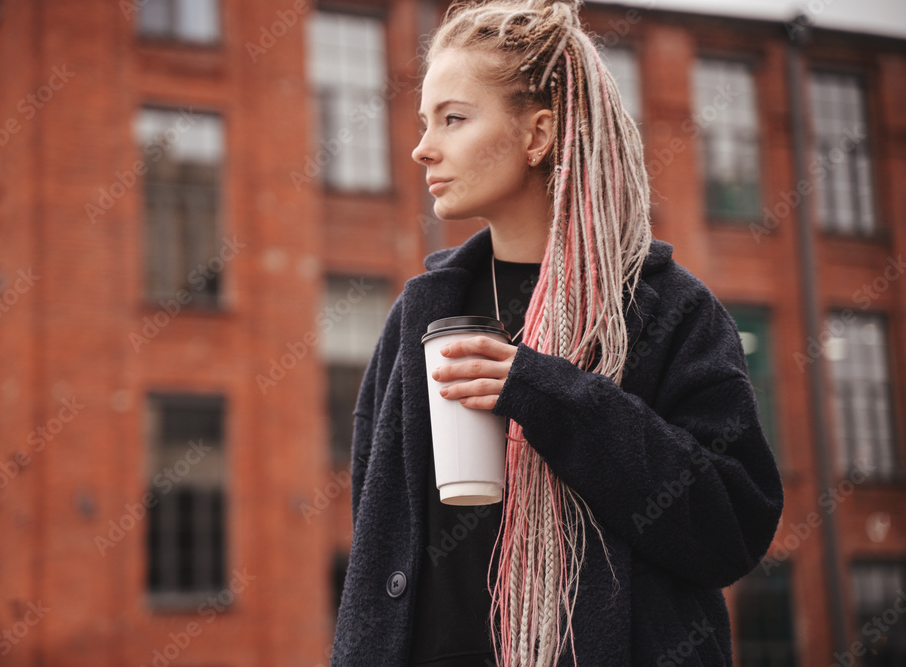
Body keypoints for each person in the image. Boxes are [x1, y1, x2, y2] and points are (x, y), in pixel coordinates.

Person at [330, 1, 784, 665]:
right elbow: (378, 538)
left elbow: (731, 529)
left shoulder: (664, 310)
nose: (422, 146)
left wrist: (545, 392)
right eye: (425, 121)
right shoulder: (419, 316)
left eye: (453, 118)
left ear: (537, 133)